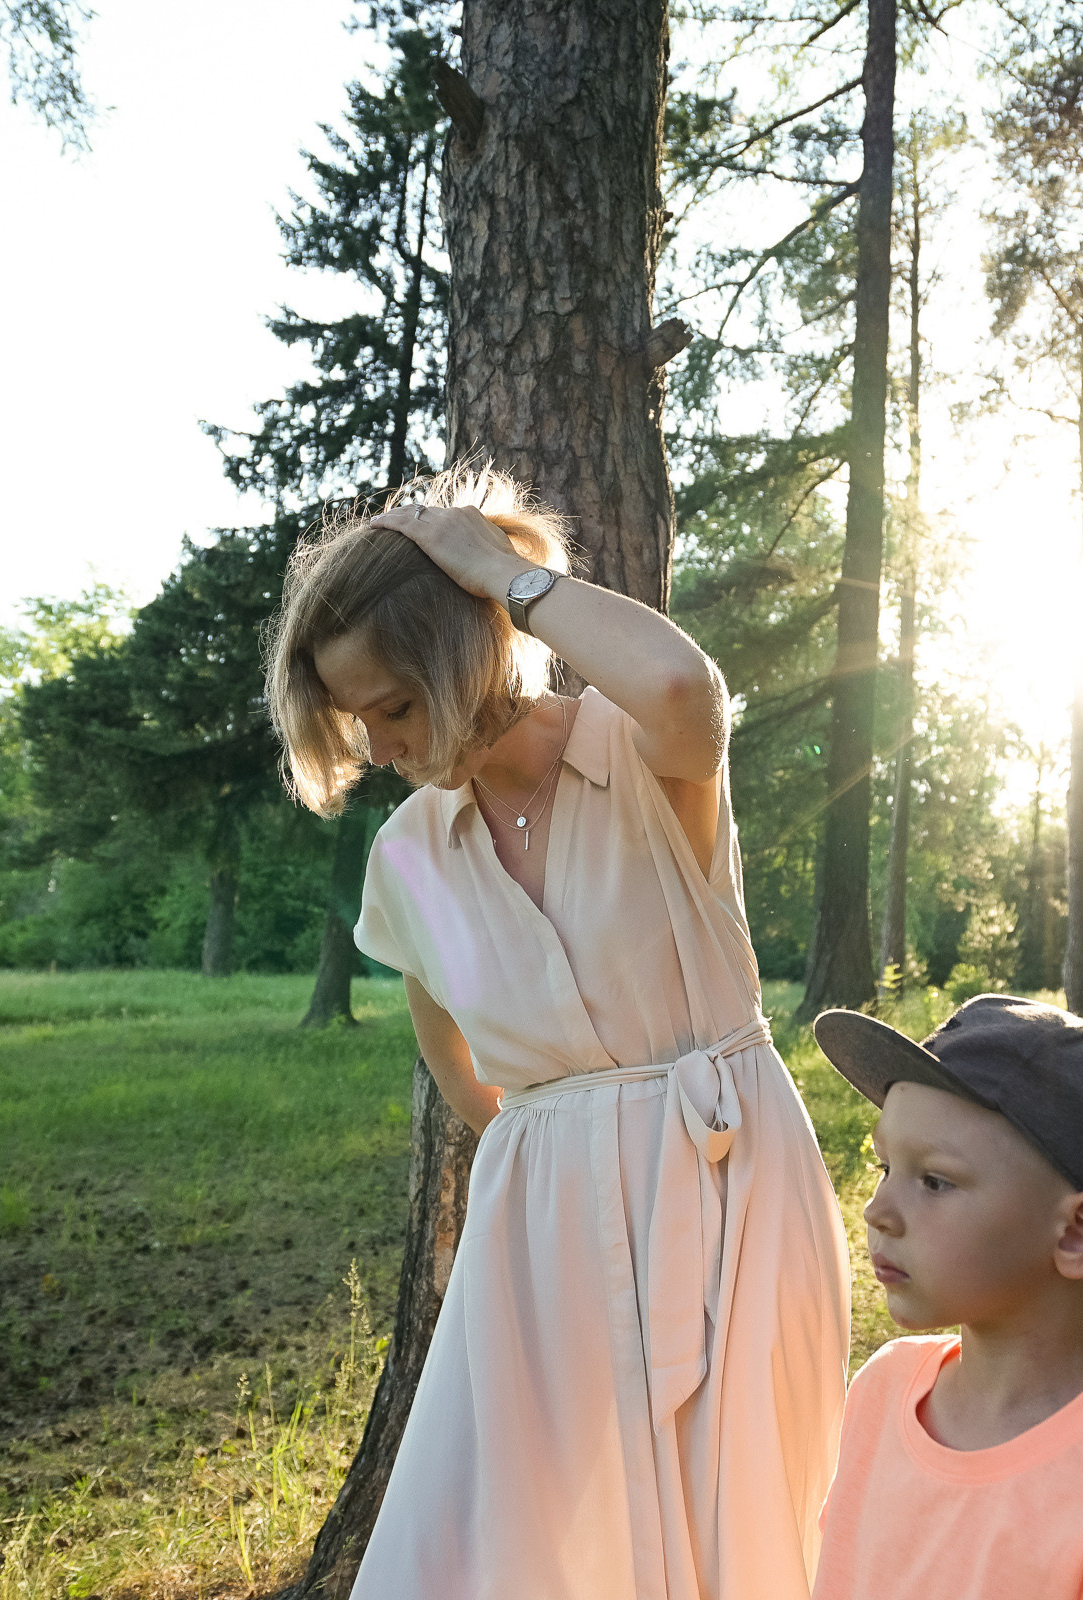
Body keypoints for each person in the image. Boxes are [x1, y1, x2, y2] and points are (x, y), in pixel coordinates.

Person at [265, 467, 851, 1600]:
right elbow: (449, 1045)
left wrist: (499, 573)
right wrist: (551, 1149)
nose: (379, 745)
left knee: (746, 1518)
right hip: (543, 1232)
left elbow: (686, 682)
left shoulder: (638, 752)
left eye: (394, 704)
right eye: (356, 719)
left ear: (458, 654)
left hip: (727, 1175)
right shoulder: (410, 858)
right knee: (525, 1536)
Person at [806, 994, 1083, 1600]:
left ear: (1079, 1233)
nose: (877, 1211)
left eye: (934, 1180)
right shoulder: (885, 1390)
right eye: (882, 1167)